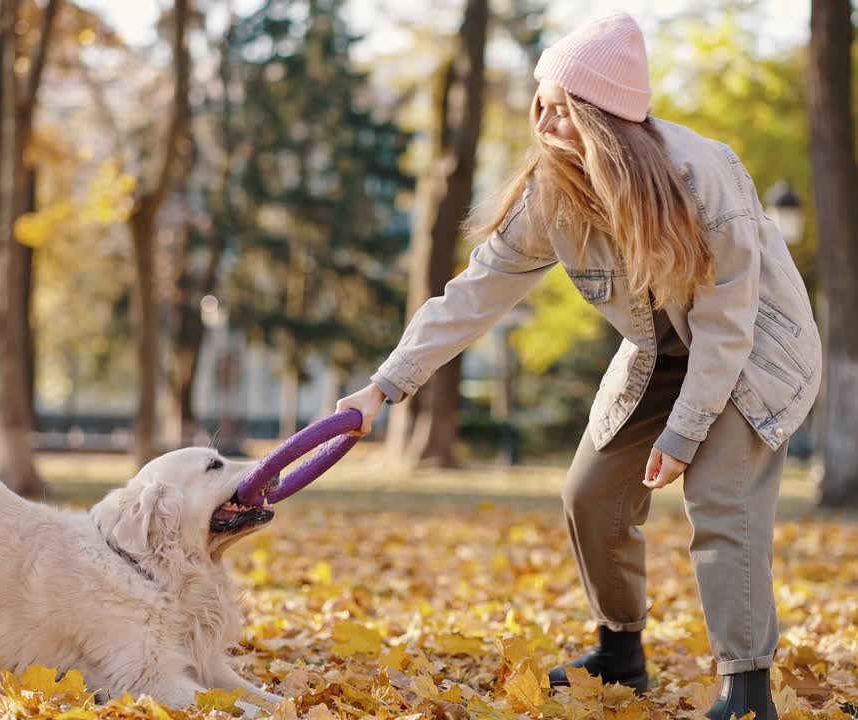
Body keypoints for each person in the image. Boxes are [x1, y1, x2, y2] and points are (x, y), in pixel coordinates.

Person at [335, 12, 821, 720]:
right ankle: (622, 654)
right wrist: (384, 386)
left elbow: (725, 326)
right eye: (541, 101)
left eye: (564, 107)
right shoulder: (550, 194)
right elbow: (474, 294)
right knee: (591, 493)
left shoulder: (698, 178)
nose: (544, 119)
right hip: (659, 356)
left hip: (751, 351)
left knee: (722, 500)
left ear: (606, 118)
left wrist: (684, 435)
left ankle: (746, 692)